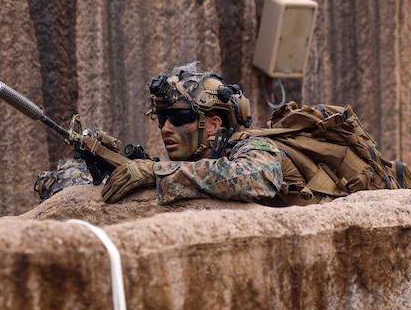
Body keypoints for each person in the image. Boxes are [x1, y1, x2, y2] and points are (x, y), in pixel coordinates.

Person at [100, 62, 287, 205]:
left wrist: (154, 172)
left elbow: (256, 179)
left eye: (178, 117)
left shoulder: (254, 147)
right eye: (161, 118)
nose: (166, 128)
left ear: (213, 125)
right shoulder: (192, 165)